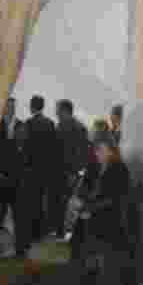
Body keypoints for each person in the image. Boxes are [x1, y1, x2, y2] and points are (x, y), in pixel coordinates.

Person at [77, 134, 132, 285]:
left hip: (110, 226)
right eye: (95, 150)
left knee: (110, 269)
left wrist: (92, 207)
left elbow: (116, 200)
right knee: (94, 265)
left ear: (110, 149)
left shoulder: (119, 169)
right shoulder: (100, 166)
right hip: (96, 224)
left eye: (100, 150)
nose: (96, 154)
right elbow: (91, 191)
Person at [19, 95, 63, 255]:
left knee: (28, 203)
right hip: (44, 171)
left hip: (29, 170)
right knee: (39, 201)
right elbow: (54, 149)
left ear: (32, 107)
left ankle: (30, 233)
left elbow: (24, 147)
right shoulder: (50, 124)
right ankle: (38, 232)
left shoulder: (28, 124)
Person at [0, 102, 24, 255]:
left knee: (17, 214)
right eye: (8, 107)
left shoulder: (19, 124)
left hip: (14, 177)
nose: (10, 110)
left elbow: (22, 146)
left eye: (12, 107)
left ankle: (19, 248)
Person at [55, 100, 90, 238]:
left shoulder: (68, 126)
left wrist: (73, 172)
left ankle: (61, 232)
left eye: (57, 110)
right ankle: (61, 231)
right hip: (69, 173)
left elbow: (81, 153)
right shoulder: (79, 126)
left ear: (64, 110)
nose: (56, 112)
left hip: (66, 172)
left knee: (62, 203)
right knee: (62, 203)